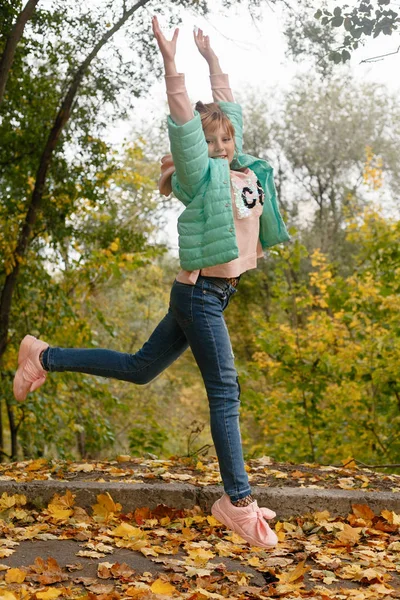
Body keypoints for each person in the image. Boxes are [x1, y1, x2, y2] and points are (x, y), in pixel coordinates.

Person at [13, 16, 290, 548]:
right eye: (212, 141)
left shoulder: (244, 170)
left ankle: (42, 355)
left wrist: (212, 61)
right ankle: (238, 502)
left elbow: (224, 105)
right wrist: (174, 66)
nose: (223, 144)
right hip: (200, 296)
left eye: (226, 137)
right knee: (226, 391)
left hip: (212, 295)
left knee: (142, 369)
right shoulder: (201, 175)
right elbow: (187, 122)